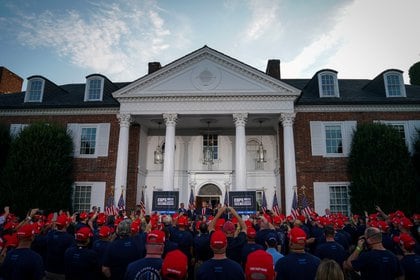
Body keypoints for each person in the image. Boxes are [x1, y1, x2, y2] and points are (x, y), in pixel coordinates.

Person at [45, 213, 75, 280]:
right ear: (67, 224)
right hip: (61, 272)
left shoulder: (50, 234)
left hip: (48, 270)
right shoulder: (69, 238)